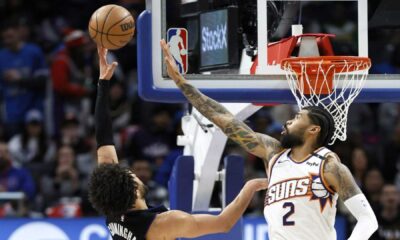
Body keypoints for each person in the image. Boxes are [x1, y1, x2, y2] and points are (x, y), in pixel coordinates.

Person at [160, 39, 378, 240]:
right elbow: (225, 120)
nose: (287, 123)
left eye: (296, 118)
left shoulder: (329, 166)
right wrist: (181, 82)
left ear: (313, 129)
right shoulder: (274, 154)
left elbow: (368, 221)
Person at [88, 46, 267, 240]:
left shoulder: (112, 204)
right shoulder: (163, 225)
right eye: (131, 174)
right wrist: (251, 186)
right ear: (133, 190)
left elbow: (103, 135)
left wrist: (103, 83)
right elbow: (223, 224)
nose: (134, 173)